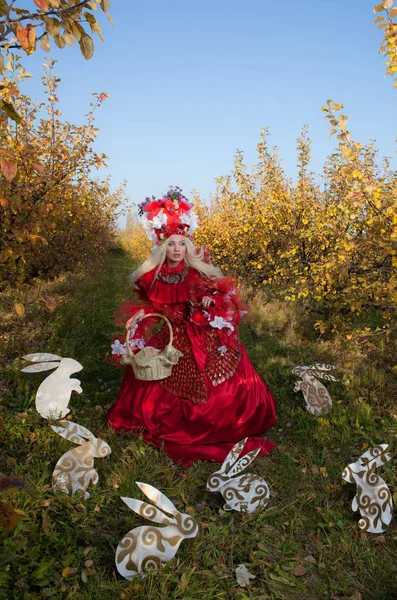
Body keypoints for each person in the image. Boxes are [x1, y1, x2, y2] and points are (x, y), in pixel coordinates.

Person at [107, 186, 277, 465]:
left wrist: (210, 300)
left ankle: (227, 422)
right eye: (171, 244)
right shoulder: (154, 275)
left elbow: (220, 293)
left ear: (189, 245)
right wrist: (141, 313)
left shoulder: (198, 269)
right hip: (173, 334)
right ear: (162, 247)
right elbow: (157, 306)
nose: (177, 250)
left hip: (201, 329)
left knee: (221, 379)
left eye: (181, 244)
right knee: (154, 379)